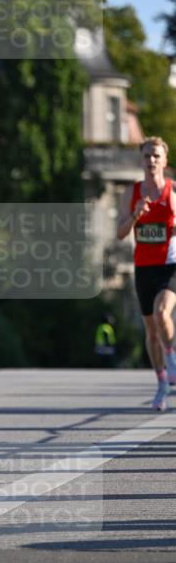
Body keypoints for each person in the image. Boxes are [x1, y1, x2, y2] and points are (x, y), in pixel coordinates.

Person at [116, 136, 176, 411]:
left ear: (165, 160)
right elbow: (119, 233)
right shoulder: (132, 193)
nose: (151, 160)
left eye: (156, 156)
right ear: (141, 160)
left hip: (170, 265)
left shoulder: (172, 192)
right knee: (151, 331)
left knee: (162, 312)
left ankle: (171, 357)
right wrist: (136, 215)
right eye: (146, 156)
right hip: (144, 267)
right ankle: (162, 382)